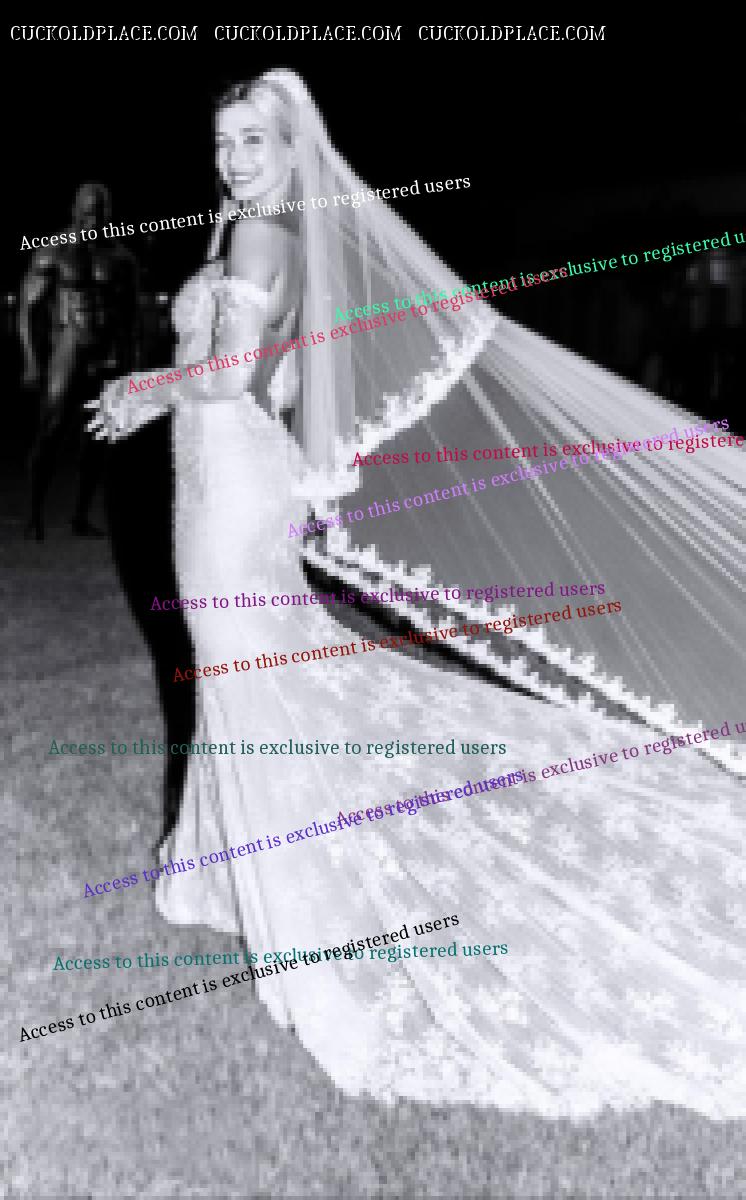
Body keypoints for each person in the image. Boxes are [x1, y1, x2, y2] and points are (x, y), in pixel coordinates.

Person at [87, 70, 746, 1117]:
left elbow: (230, 374)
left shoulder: (261, 236)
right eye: (222, 143)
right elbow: (283, 377)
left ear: (292, 149)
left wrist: (141, 388)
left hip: (229, 483)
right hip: (227, 474)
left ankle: (280, 887)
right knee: (247, 673)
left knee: (248, 672)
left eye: (253, 142)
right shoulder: (265, 231)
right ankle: (224, 866)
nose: (234, 161)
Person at [20, 182, 139, 540]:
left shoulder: (121, 257)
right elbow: (28, 310)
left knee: (98, 436)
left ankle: (80, 517)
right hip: (68, 345)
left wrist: (133, 361)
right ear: (74, 210)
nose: (94, 217)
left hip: (107, 350)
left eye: (101, 211)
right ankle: (33, 516)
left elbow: (131, 315)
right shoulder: (52, 252)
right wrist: (31, 361)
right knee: (51, 430)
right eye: (88, 210)